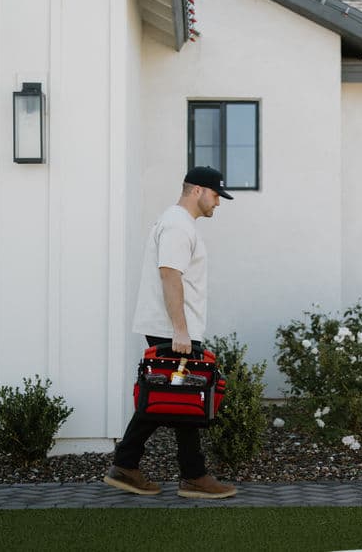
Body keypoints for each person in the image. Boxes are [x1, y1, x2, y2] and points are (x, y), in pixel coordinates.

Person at [104, 166, 238, 499]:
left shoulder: (177, 222)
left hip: (173, 327)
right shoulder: (178, 225)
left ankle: (137, 465)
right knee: (177, 398)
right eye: (216, 194)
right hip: (173, 329)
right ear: (197, 191)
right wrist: (181, 330)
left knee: (177, 398)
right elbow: (170, 275)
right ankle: (187, 475)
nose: (218, 202)